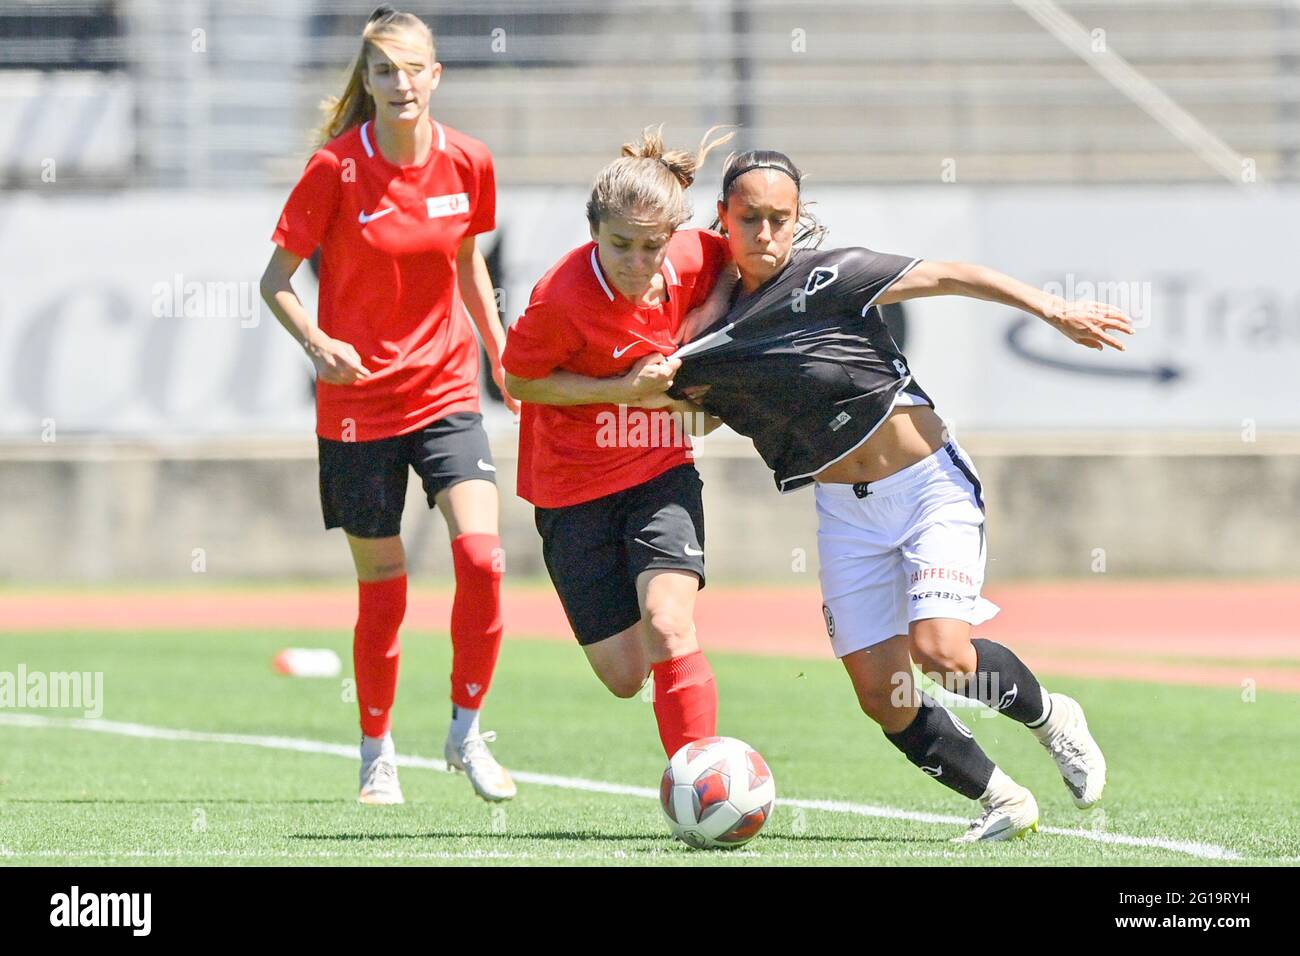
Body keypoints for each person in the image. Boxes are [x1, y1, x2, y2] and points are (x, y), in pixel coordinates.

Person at [660, 149, 1130, 841]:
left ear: (800, 219)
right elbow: (706, 411)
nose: (765, 233)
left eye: (780, 218)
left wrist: (1051, 307)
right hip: (843, 514)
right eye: (749, 218)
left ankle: (1050, 716)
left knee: (941, 653)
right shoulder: (713, 332)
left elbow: (948, 273)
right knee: (883, 695)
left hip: (927, 487)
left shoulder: (830, 275)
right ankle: (1003, 800)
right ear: (723, 220)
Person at [259, 7, 516, 805]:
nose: (400, 84)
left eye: (413, 69)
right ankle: (377, 750)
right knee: (386, 590)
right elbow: (274, 282)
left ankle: (466, 730)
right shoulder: (334, 169)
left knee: (483, 560)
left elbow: (469, 263)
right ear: (365, 81)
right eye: (383, 71)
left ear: (435, 75)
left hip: (444, 392)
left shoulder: (470, 161)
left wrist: (498, 349)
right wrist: (318, 344)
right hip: (357, 407)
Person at [501, 126, 737, 760]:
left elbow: (734, 268)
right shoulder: (560, 298)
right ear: (593, 234)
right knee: (625, 675)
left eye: (651, 247)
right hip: (570, 487)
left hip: (659, 470)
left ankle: (703, 781)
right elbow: (519, 379)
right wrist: (624, 391)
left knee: (668, 624)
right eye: (620, 245)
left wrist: (705, 321)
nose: (637, 262)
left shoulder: (694, 256)